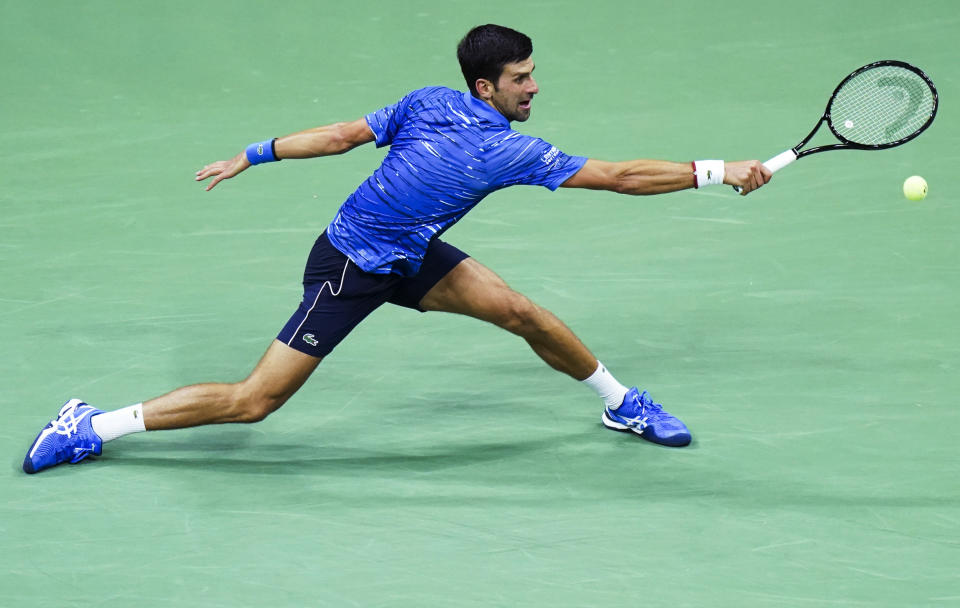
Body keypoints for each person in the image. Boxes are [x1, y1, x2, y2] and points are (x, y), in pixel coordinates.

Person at [22, 24, 771, 474]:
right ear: (484, 86)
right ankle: (89, 425)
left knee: (523, 313)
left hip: (412, 255)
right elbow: (617, 177)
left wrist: (256, 154)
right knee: (255, 403)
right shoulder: (503, 149)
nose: (534, 87)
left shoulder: (438, 104)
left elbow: (349, 135)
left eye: (533, 73)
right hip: (349, 267)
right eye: (521, 78)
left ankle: (621, 406)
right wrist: (717, 171)